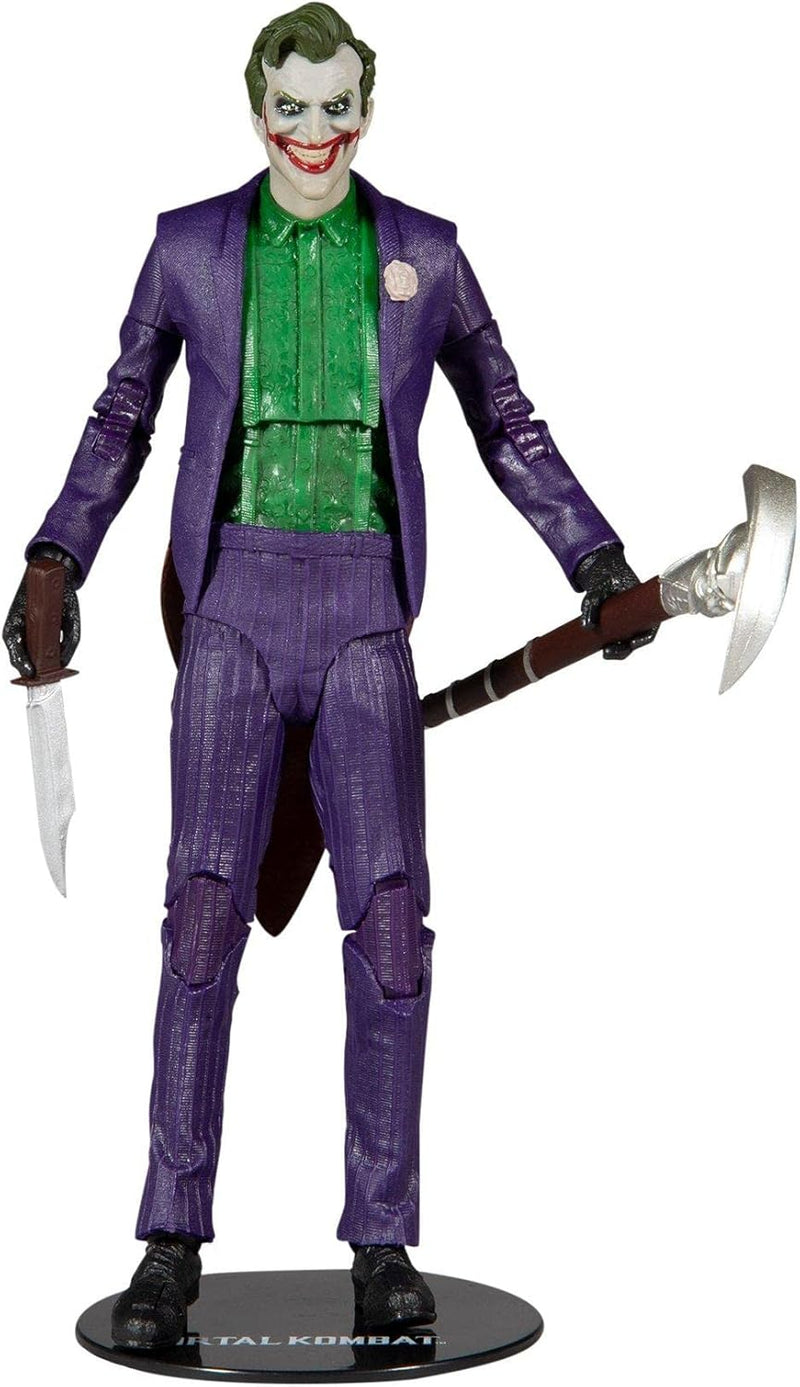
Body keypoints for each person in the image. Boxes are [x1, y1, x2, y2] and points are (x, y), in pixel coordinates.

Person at [3, 2, 654, 1349]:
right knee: (199, 923)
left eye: (335, 105)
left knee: (395, 928)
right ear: (257, 110)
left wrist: (594, 560)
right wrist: (57, 554)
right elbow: (123, 413)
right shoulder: (191, 247)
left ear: (368, 107)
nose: (313, 132)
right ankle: (170, 1239)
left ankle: (384, 1241)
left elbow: (508, 420)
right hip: (232, 608)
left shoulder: (427, 253)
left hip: (365, 611)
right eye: (290, 107)